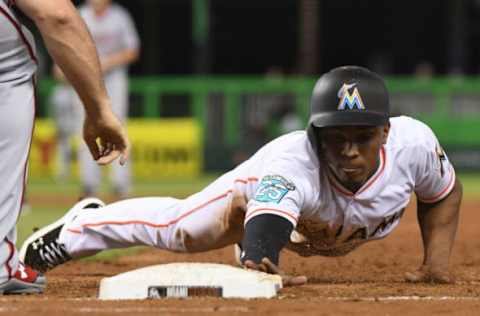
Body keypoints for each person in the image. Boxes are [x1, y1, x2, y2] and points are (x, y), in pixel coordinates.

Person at [20, 66, 462, 287]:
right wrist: (261, 259)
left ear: (385, 133)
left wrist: (435, 263)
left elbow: (443, 192)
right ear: (316, 133)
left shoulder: (415, 146)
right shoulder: (294, 163)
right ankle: (80, 228)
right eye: (335, 137)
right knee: (181, 230)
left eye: (362, 137)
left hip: (310, 224)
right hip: (255, 199)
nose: (348, 149)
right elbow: (267, 222)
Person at [0, 0, 129, 294]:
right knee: (11, 64)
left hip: (110, 75)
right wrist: (99, 110)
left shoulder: (119, 17)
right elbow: (57, 15)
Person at [72, 0, 140, 199]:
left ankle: (121, 185)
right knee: (84, 126)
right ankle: (88, 184)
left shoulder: (119, 16)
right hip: (86, 76)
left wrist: (109, 62)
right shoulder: (81, 14)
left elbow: (132, 50)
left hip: (115, 77)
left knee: (118, 126)